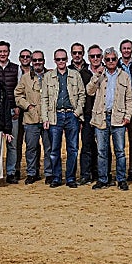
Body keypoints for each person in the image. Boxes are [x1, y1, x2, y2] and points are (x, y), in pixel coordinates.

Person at [88, 47, 132, 190]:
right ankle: (103, 179)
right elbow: (89, 91)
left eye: (113, 59)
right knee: (102, 151)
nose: (111, 61)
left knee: (120, 151)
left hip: (118, 117)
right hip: (101, 117)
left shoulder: (124, 75)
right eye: (108, 59)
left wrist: (127, 116)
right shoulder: (99, 75)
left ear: (117, 59)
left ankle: (121, 179)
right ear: (104, 60)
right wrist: (97, 75)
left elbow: (129, 98)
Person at [41, 48, 84, 188]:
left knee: (73, 149)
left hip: (71, 114)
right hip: (55, 115)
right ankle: (56, 177)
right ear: (54, 60)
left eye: (63, 59)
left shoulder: (75, 75)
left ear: (67, 59)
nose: (61, 61)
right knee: (54, 149)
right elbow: (44, 99)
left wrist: (77, 112)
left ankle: (71, 178)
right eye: (58, 59)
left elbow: (82, 94)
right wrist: (45, 118)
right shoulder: (48, 76)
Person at [15, 50, 51, 184]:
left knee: (49, 147)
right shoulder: (25, 78)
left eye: (39, 60)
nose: (37, 62)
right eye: (34, 60)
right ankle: (32, 173)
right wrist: (27, 106)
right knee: (31, 148)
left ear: (44, 61)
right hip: (31, 118)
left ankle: (49, 173)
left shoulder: (50, 76)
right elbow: (18, 95)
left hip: (47, 118)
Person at [0, 41, 21, 184]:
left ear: (9, 52)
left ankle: (11, 172)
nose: (3, 54)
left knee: (12, 144)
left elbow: (19, 89)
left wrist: (17, 106)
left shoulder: (16, 68)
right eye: (0, 51)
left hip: (11, 110)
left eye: (5, 51)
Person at [75, 45, 101, 184]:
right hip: (87, 114)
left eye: (98, 56)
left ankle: (101, 173)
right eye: (92, 56)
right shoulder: (82, 74)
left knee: (103, 146)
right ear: (88, 58)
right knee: (86, 145)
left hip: (103, 114)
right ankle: (85, 174)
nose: (95, 59)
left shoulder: (107, 72)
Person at [118, 39, 132, 182]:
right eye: (124, 48)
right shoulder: (114, 64)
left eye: (129, 48)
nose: (126, 50)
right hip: (119, 106)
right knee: (118, 140)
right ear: (121, 50)